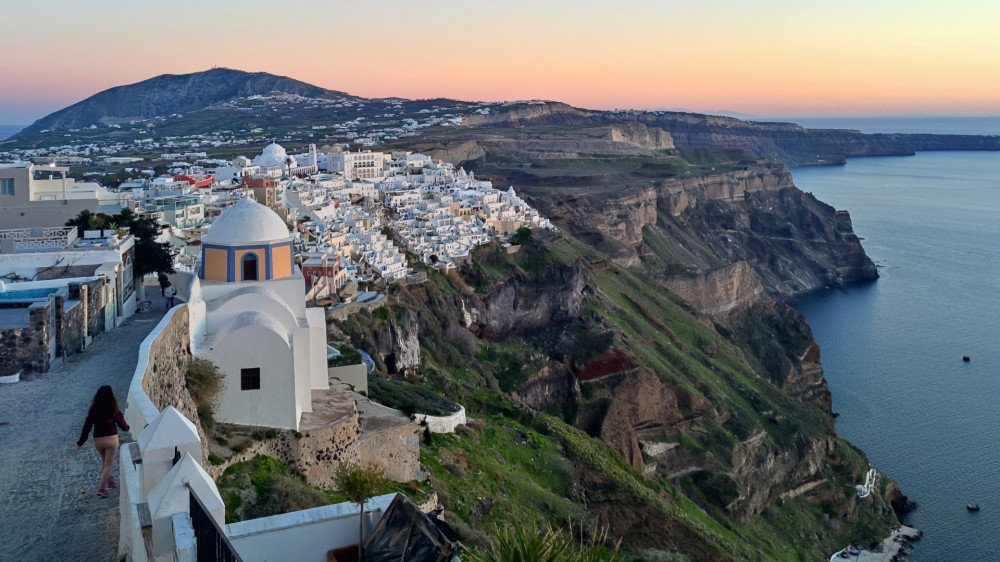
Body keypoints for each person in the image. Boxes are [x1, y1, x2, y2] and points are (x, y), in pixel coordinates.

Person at [77, 385, 130, 498]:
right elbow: (122, 423)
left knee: (105, 461)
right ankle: (101, 488)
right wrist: (127, 428)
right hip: (111, 439)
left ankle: (109, 481)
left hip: (98, 441)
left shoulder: (93, 411)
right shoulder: (113, 409)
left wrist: (81, 442)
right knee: (109, 464)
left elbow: (87, 427)